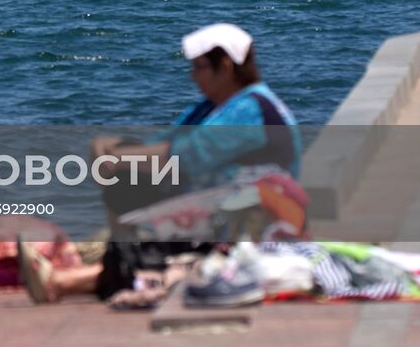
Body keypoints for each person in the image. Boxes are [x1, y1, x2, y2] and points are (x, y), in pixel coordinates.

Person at [19, 23, 300, 303]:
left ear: (225, 66)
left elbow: (187, 156)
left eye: (200, 67)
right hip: (218, 208)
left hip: (254, 221)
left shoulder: (252, 110)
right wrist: (113, 146)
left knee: (130, 183)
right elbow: (167, 140)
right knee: (128, 181)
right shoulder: (213, 107)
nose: (193, 76)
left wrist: (118, 158)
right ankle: (105, 270)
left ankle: (79, 279)